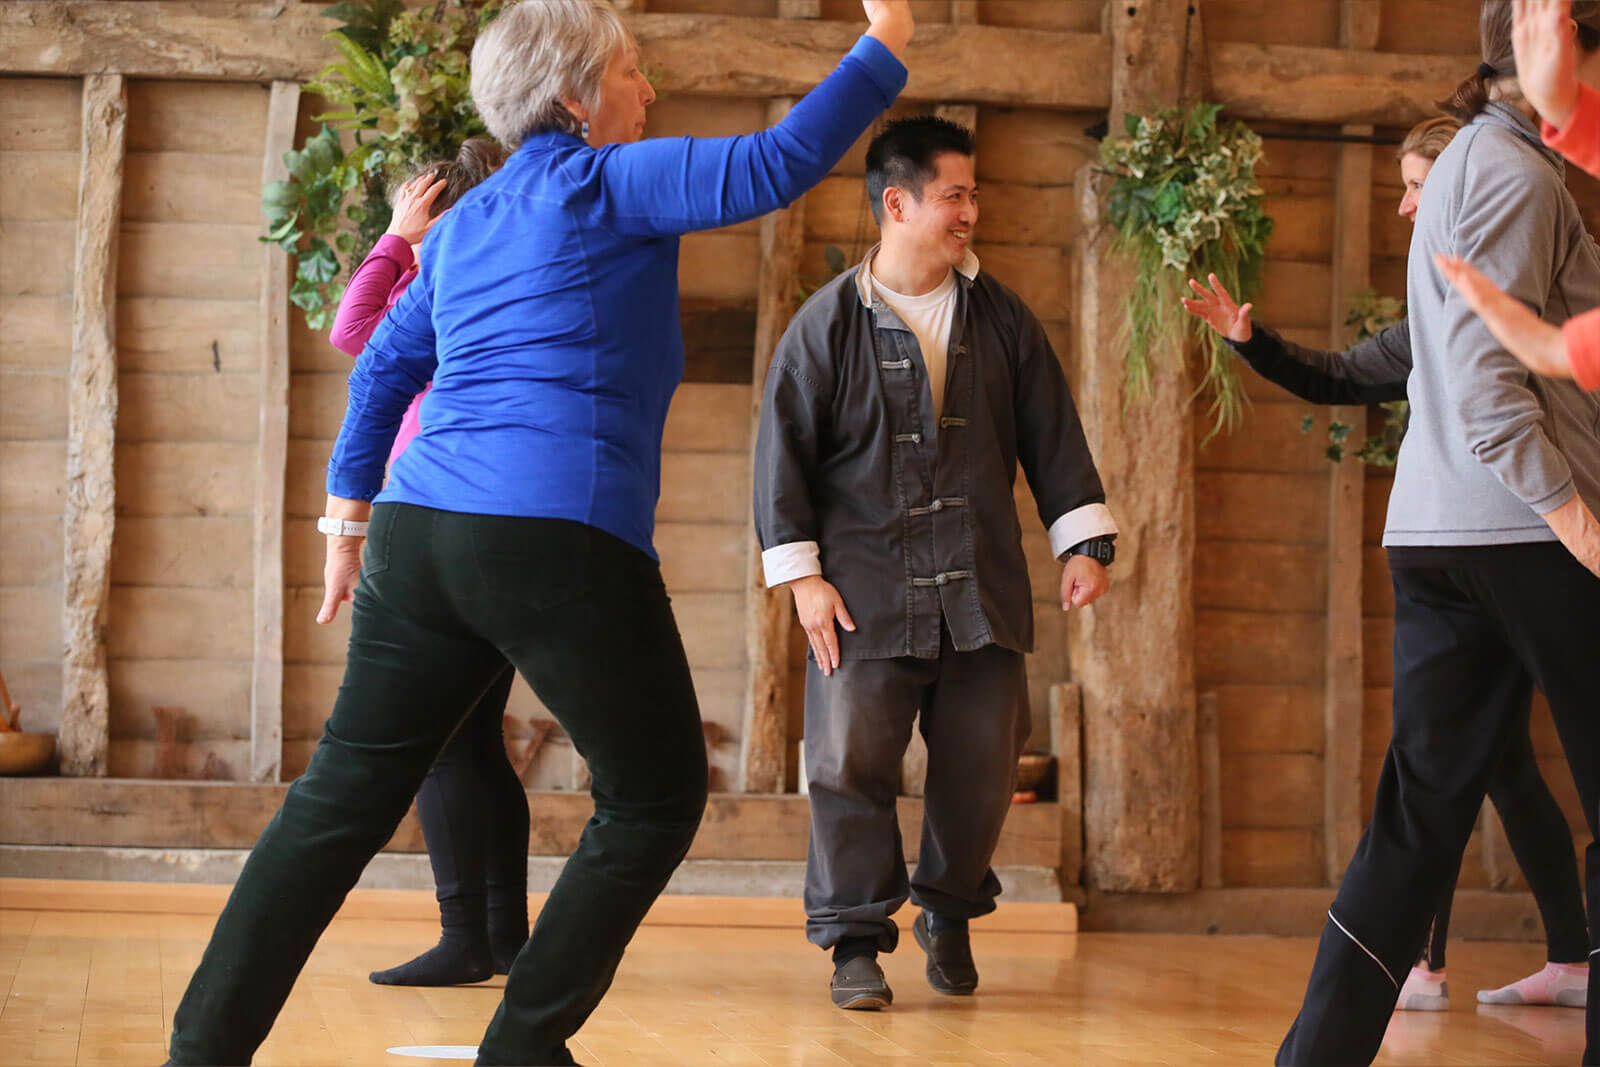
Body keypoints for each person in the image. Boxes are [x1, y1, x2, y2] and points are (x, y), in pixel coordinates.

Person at [162, 2, 915, 1064]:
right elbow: (780, 160)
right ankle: (521, 1043)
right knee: (652, 796)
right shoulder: (607, 181)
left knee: (336, 801)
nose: (647, 93)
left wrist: (346, 522)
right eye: (632, 71)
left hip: (421, 537)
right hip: (554, 535)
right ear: (575, 95)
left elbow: (381, 365)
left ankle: (199, 1051)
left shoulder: (465, 222)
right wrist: (887, 37)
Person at [1185, 111, 1589, 1014]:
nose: (1408, 205)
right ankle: (1495, 959)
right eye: (1409, 187)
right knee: (1478, 773)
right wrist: (1252, 342)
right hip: (1479, 548)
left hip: (1525, 542)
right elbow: (1339, 376)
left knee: (1466, 778)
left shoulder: (1530, 244)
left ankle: (1520, 957)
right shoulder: (1430, 321)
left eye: (1418, 183)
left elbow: (1521, 398)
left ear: (1464, 188)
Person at [1275, 4, 1600, 1063]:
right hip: (1522, 532)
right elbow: (1480, 382)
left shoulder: (1477, 162)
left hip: (1441, 525)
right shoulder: (1507, 170)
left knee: (1416, 819)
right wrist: (1579, 525)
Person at [754, 116, 1115, 1012]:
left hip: (979, 588)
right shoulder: (826, 324)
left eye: (973, 195)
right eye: (955, 195)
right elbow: (780, 456)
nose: (970, 212)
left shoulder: (1002, 319)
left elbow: (1053, 433)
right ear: (898, 202)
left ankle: (947, 911)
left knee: (983, 766)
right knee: (848, 766)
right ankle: (855, 942)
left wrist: (1084, 541)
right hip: (862, 595)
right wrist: (802, 578)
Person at [325, 137, 530, 988]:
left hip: (444, 521)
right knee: (477, 740)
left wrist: (397, 238)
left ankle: (467, 938)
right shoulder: (517, 280)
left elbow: (352, 335)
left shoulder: (445, 279)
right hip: (505, 522)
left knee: (449, 744)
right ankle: (504, 939)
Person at [1440, 0, 1600, 391]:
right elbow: (1484, 384)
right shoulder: (1517, 174)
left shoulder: (1480, 152)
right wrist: (1558, 350)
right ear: (1567, 35)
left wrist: (1562, 349)